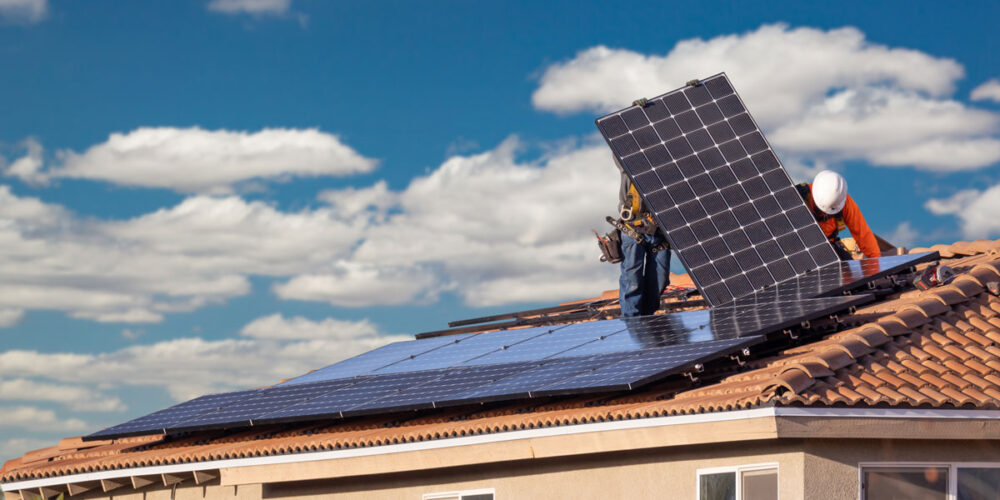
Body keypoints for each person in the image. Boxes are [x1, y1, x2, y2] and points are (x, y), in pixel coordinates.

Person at [616, 157, 671, 317]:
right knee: (632, 281)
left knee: (660, 280)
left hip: (659, 231)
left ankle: (646, 320)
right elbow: (620, 149)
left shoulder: (667, 165)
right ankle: (632, 322)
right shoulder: (629, 162)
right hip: (633, 228)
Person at [798, 170, 881, 260]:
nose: (825, 214)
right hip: (799, 247)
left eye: (829, 211)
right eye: (821, 210)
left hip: (830, 248)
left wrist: (877, 261)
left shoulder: (844, 203)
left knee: (848, 269)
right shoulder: (797, 198)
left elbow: (862, 234)